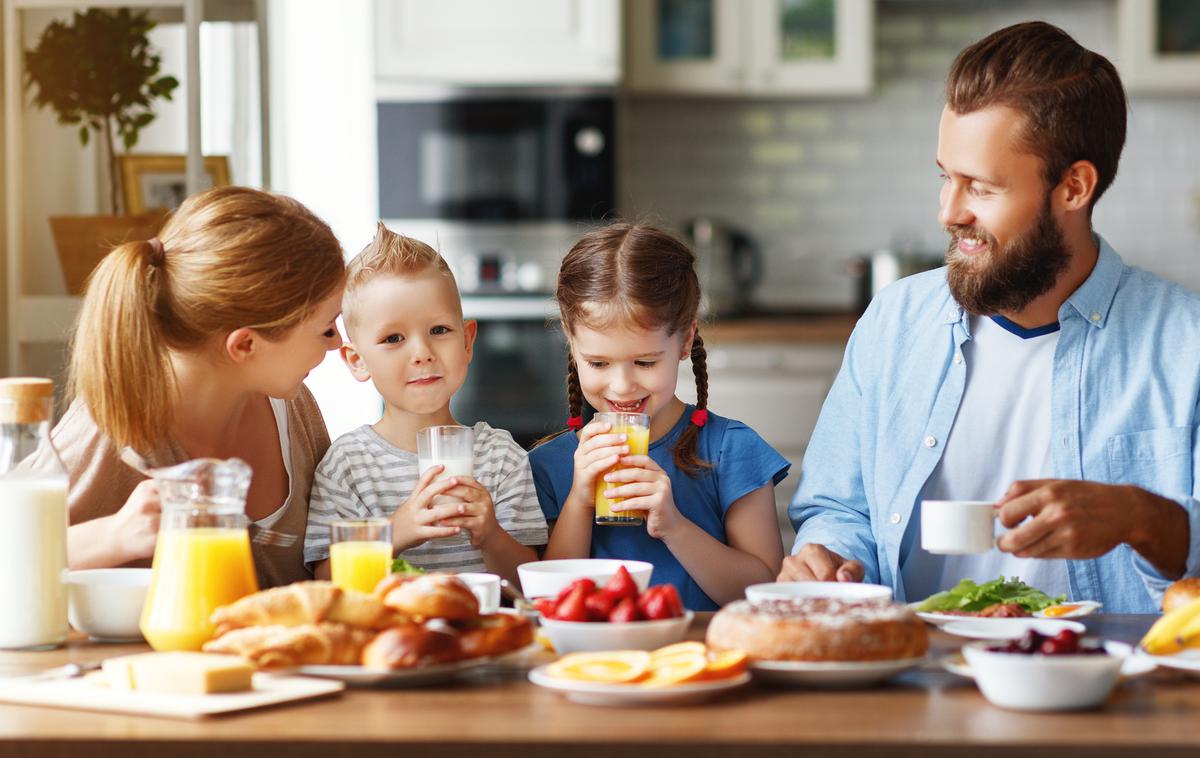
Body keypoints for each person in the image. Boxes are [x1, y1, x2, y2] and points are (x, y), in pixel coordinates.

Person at [780, 21, 1200, 613]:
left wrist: (1141, 517)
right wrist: (830, 556)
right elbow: (838, 508)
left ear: (1074, 187)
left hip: (1114, 690)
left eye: (979, 187)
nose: (948, 212)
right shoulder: (894, 322)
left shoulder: (1188, 345)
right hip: (914, 675)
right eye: (945, 178)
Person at [47, 185, 347, 587]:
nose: (338, 343)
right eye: (326, 328)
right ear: (244, 344)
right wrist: (113, 535)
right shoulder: (110, 425)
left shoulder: (293, 408)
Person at [529, 223, 788, 610]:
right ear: (571, 340)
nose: (622, 386)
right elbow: (548, 602)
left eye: (645, 362)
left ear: (685, 340)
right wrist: (580, 501)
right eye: (598, 362)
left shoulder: (733, 450)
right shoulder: (548, 466)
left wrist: (674, 527)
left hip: (703, 661)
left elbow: (765, 595)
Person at [303, 224, 547, 586]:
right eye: (393, 338)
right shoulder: (347, 465)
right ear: (357, 361)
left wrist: (491, 535)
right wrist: (393, 533)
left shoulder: (501, 457)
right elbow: (326, 580)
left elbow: (530, 581)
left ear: (467, 341)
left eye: (439, 330)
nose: (422, 353)